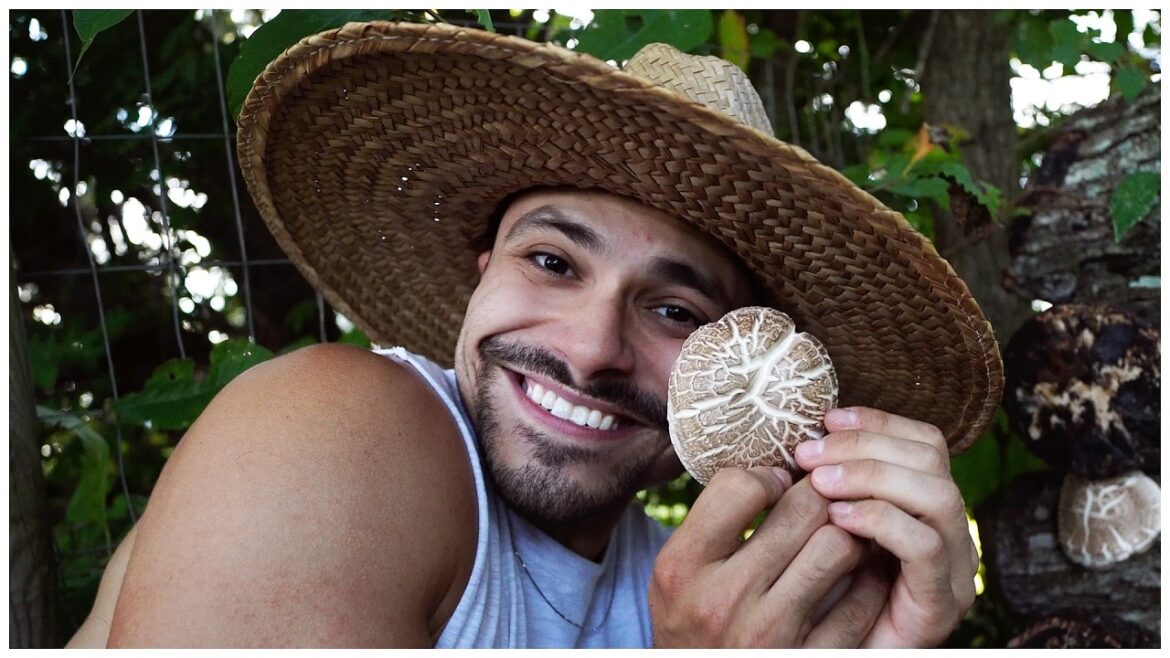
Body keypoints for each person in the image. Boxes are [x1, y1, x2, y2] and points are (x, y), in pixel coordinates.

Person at [70, 20, 1002, 648]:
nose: (593, 348)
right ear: (482, 269)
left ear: (741, 367)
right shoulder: (330, 434)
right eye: (553, 262)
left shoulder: (708, 600)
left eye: (676, 312)